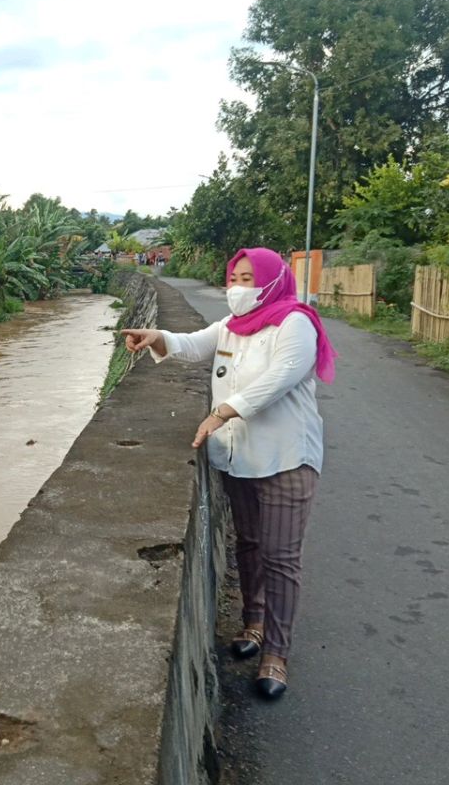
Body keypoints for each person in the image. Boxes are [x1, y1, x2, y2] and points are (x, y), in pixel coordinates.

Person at [120, 247, 338, 700]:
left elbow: (279, 378)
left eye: (248, 278)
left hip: (286, 459)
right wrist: (154, 335)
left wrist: (219, 414)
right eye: (234, 278)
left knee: (280, 557)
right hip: (240, 459)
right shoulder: (230, 327)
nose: (239, 287)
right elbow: (190, 344)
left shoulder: (294, 323)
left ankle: (276, 653)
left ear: (273, 281)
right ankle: (253, 624)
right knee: (251, 544)